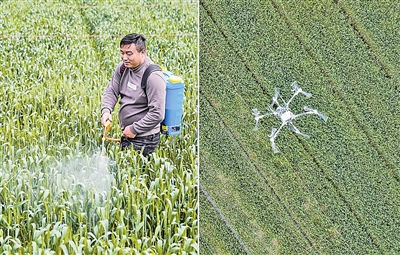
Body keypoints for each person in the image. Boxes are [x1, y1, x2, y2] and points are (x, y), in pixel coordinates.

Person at [100, 33, 166, 156]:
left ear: (143, 53)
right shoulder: (123, 68)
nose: (124, 57)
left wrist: (134, 129)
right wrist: (106, 111)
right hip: (128, 134)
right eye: (122, 53)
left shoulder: (153, 77)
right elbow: (112, 90)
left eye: (129, 53)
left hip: (145, 139)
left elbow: (157, 114)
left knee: (136, 173)